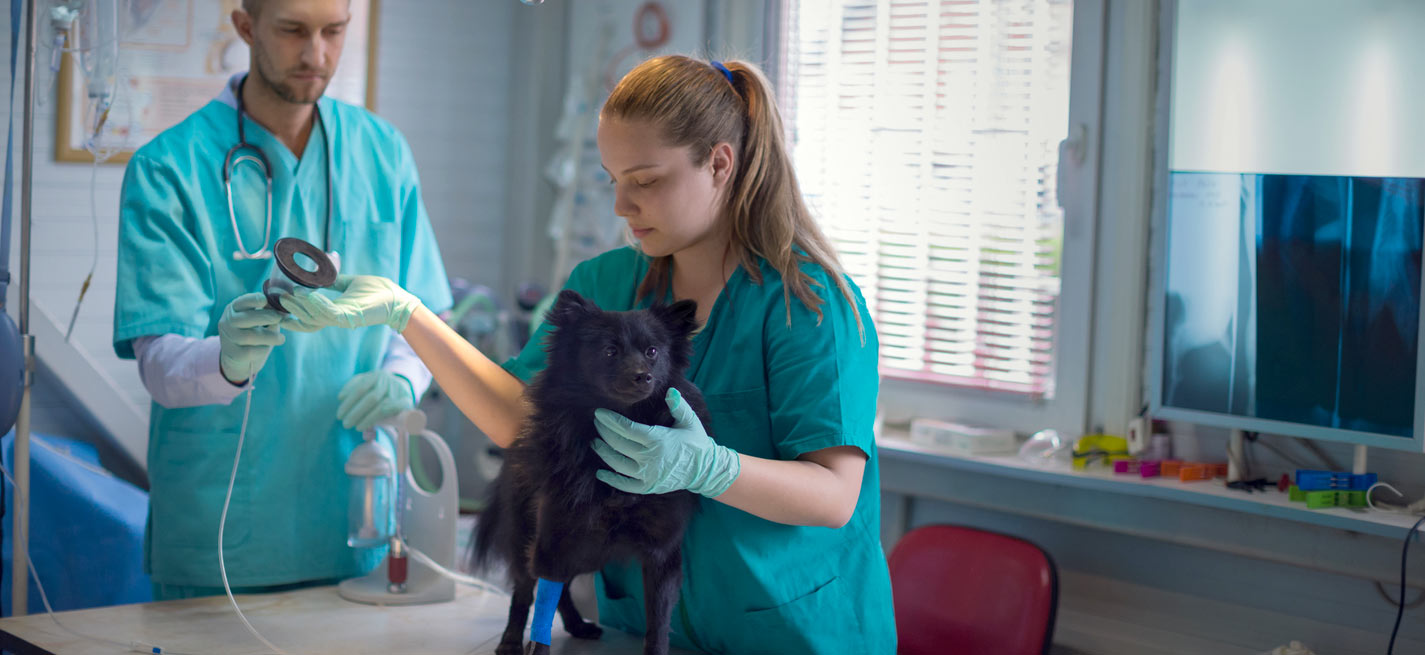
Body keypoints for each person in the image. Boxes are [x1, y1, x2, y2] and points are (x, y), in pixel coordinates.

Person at [280, 55, 895, 653]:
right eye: (613, 181)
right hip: (649, 631)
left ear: (720, 164)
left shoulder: (809, 306)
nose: (622, 207)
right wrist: (405, 312)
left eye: (646, 181)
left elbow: (834, 497)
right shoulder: (608, 287)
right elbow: (522, 418)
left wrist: (711, 468)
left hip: (792, 633)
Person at [111, 0, 451, 601]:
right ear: (246, 27)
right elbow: (157, 360)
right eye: (293, 30)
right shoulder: (168, 169)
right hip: (224, 525)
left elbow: (424, 314)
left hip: (354, 513)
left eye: (334, 31)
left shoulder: (382, 153)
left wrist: (403, 377)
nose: (316, 54)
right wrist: (224, 360)